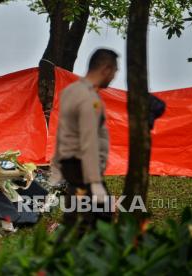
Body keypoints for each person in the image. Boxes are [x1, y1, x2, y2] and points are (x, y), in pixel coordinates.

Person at [53, 48, 118, 228]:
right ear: (106, 69)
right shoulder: (89, 99)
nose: (114, 77)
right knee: (100, 218)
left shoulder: (71, 91)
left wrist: (57, 165)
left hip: (72, 165)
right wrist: (95, 181)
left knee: (77, 217)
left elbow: (63, 131)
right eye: (114, 71)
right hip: (83, 167)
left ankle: (63, 250)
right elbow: (88, 141)